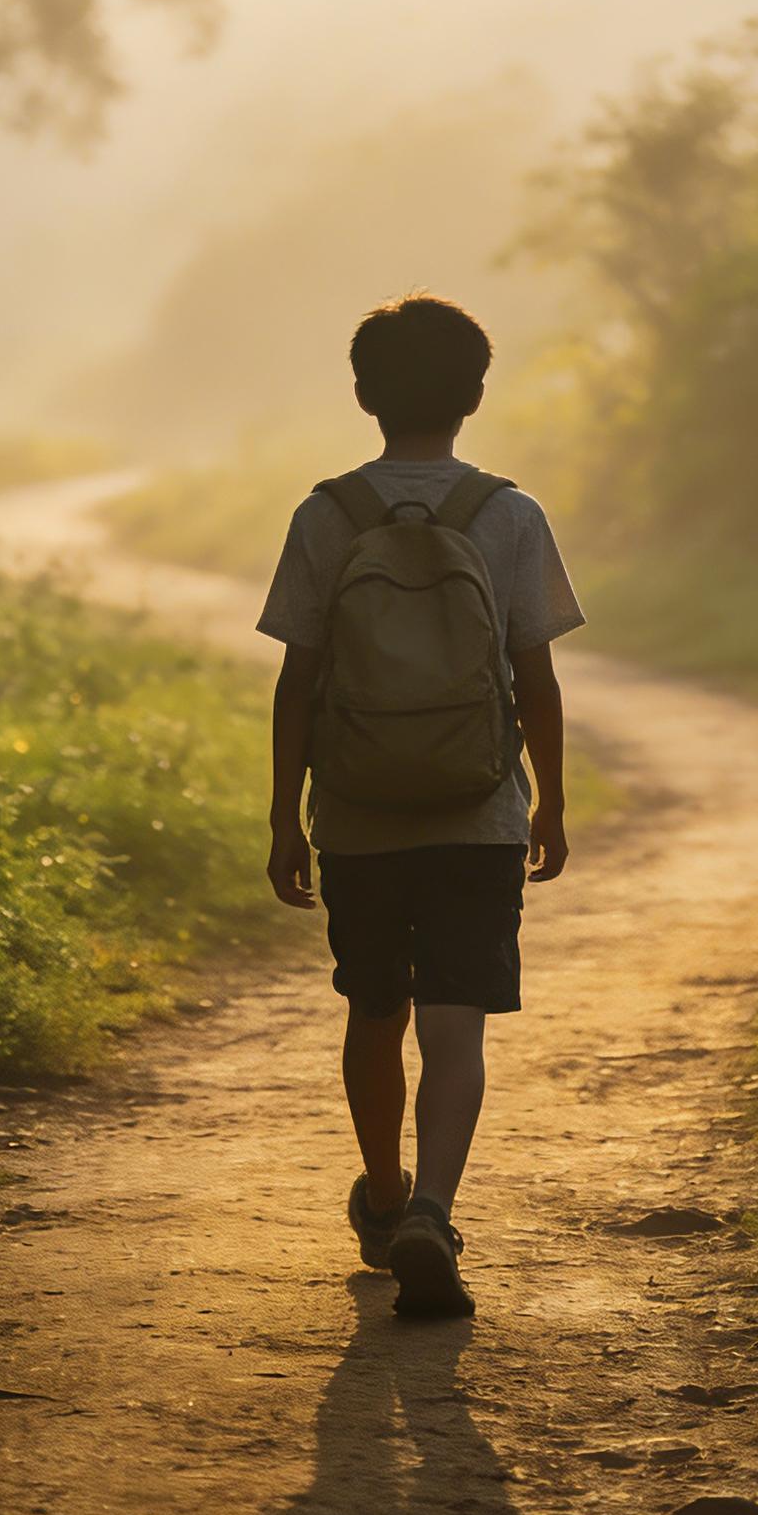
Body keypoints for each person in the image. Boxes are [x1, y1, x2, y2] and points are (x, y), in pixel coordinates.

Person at [258, 293, 585, 1318]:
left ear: (362, 394)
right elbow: (533, 678)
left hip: (357, 813)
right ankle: (430, 1212)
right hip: (477, 809)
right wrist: (551, 803)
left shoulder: (326, 514)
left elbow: (297, 681)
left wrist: (282, 817)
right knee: (455, 1023)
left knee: (373, 1005)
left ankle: (384, 1193)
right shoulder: (508, 514)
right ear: (475, 394)